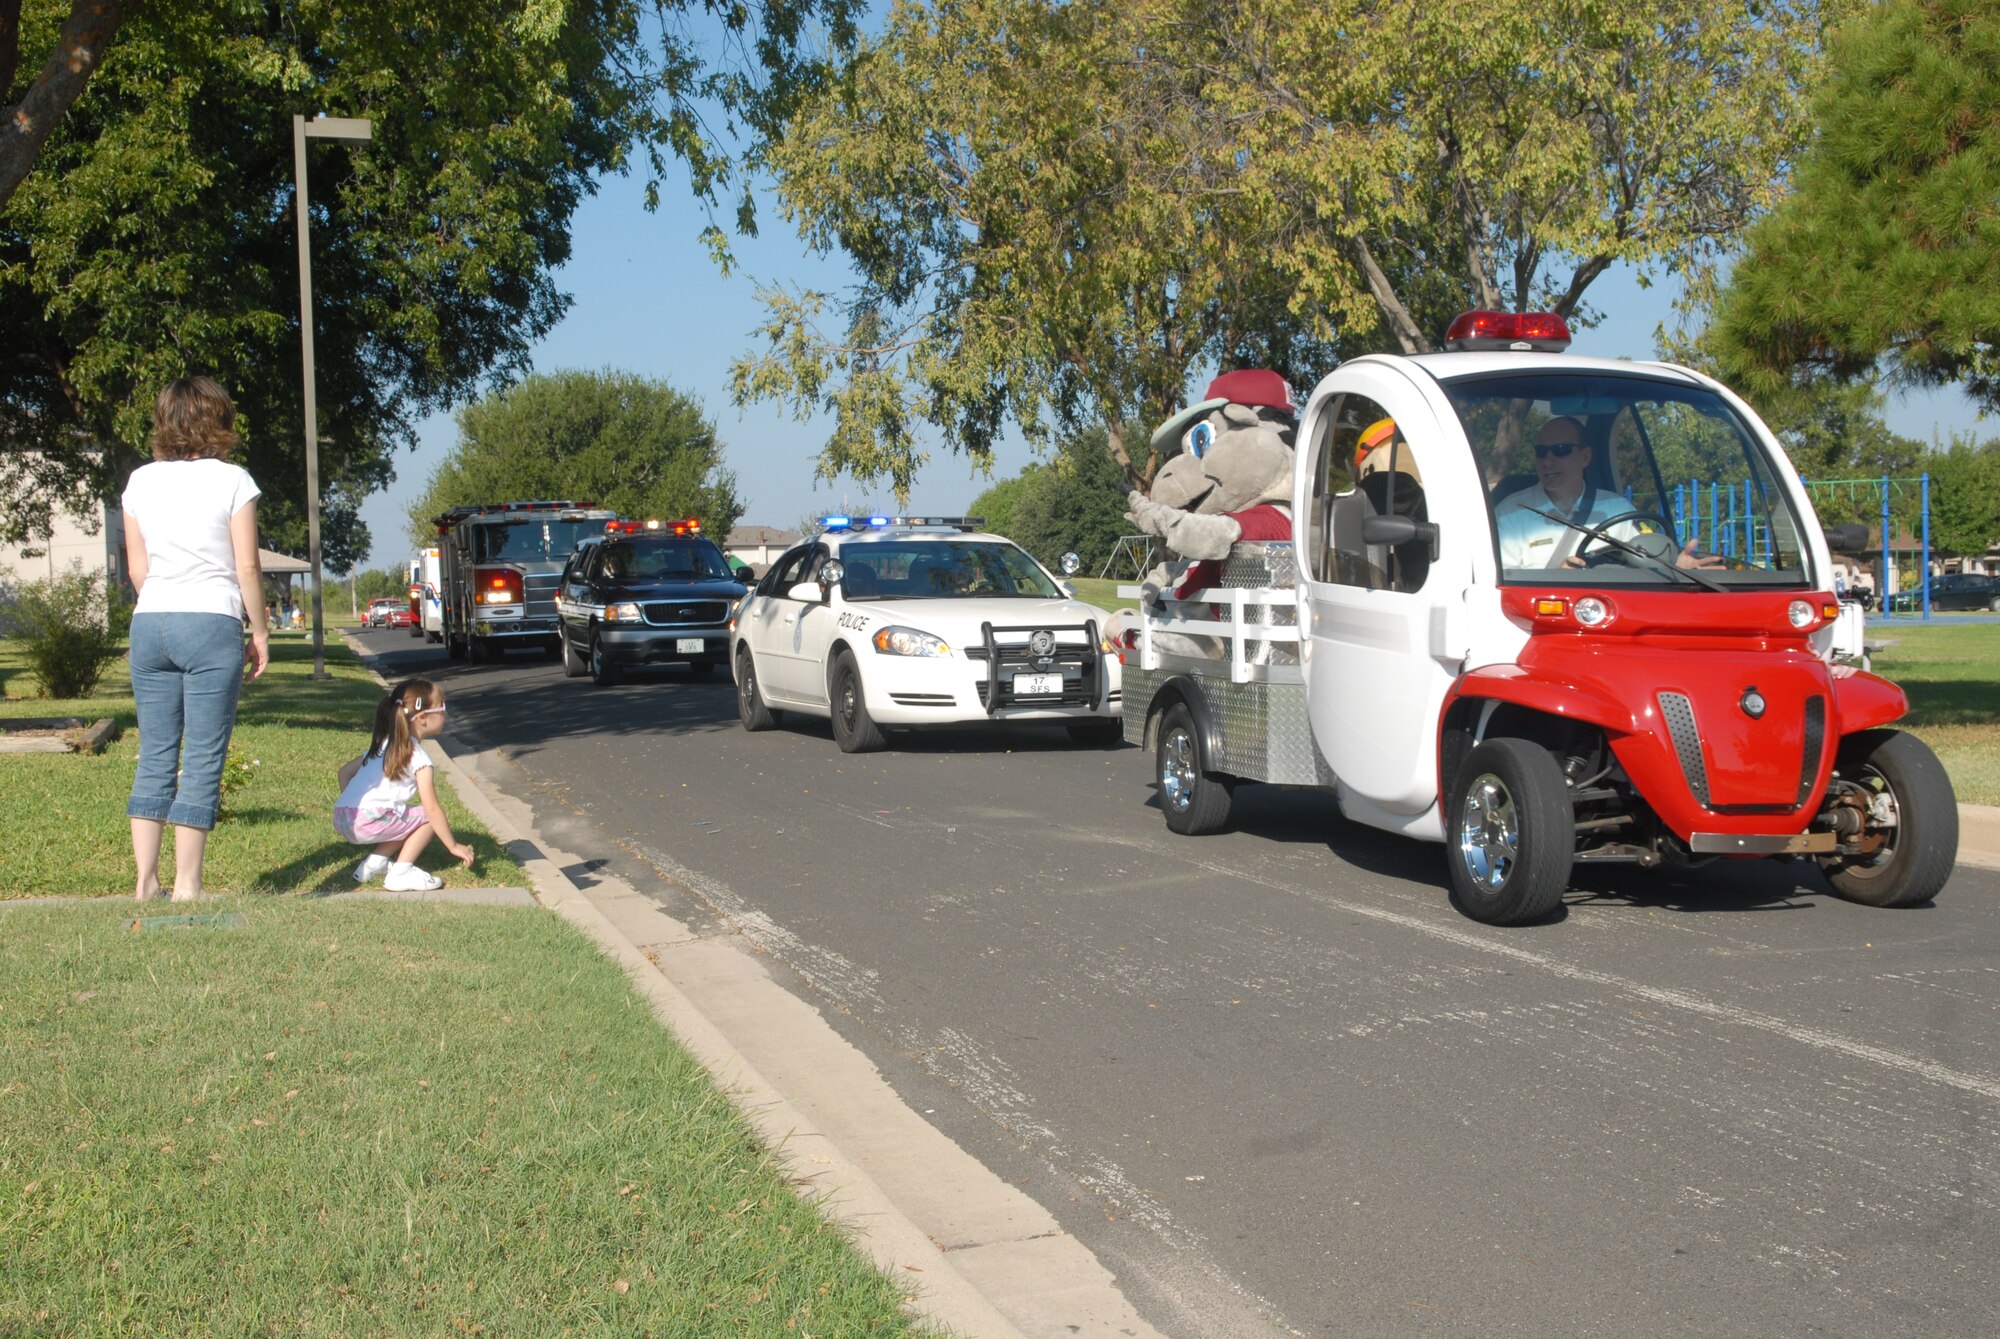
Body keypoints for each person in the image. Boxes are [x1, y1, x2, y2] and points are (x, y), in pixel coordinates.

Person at [122, 376, 270, 902]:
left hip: (150, 620)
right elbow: (247, 565)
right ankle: (188, 885)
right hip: (210, 620)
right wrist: (260, 630)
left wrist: (164, 601)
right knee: (204, 754)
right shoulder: (233, 480)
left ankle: (145, 882)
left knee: (155, 750)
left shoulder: (139, 481)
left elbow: (138, 569)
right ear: (219, 420)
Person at [1495, 417, 1721, 571]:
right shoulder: (1510, 513)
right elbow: (1495, 588)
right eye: (1541, 452)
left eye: (1561, 450)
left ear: (1585, 457)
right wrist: (1555, 577)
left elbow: (1646, 564)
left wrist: (1676, 568)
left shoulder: (1618, 510)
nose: (1548, 460)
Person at [334, 678, 475, 891]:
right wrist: (453, 846)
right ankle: (401, 873)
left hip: (343, 817)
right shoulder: (419, 758)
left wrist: (355, 809)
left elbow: (343, 772)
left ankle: (374, 864)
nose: (445, 713)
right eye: (442, 707)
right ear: (423, 718)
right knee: (426, 818)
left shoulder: (383, 745)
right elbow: (432, 809)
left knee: (403, 816)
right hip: (365, 822)